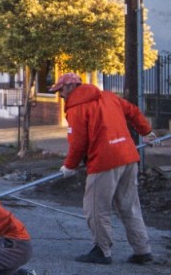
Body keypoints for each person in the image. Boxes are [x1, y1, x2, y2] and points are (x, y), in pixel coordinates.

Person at [51, 72, 158, 264]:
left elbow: (78, 143)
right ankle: (142, 250)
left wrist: (69, 166)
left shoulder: (77, 109)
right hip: (128, 156)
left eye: (60, 91)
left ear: (69, 87)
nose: (60, 95)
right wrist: (146, 132)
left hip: (104, 162)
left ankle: (102, 251)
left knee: (95, 207)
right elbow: (132, 111)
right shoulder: (109, 96)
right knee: (129, 206)